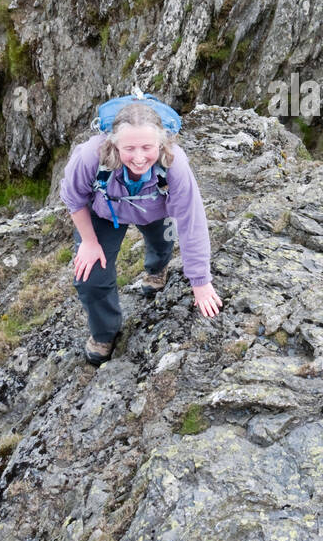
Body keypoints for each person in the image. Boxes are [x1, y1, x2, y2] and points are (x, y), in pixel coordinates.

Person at [60, 101, 223, 366]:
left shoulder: (174, 165)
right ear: (114, 145)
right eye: (129, 148)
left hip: (156, 208)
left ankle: (157, 269)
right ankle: (104, 333)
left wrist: (200, 282)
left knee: (162, 244)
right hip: (105, 212)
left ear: (161, 144)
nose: (138, 157)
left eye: (147, 148)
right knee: (90, 277)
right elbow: (73, 198)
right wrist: (89, 242)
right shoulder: (90, 156)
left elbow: (191, 223)